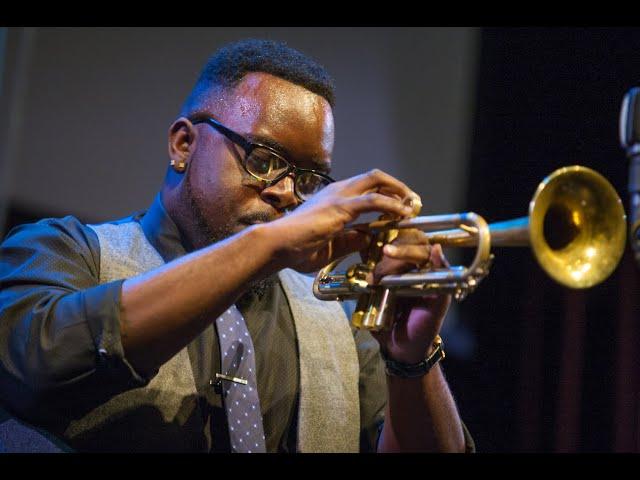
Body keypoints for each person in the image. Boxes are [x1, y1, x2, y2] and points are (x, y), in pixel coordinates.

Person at [0, 39, 474, 453]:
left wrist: (411, 361)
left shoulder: (342, 330)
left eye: (308, 179)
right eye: (264, 160)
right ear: (184, 145)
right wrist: (268, 243)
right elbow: (37, 363)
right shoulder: (62, 250)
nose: (289, 194)